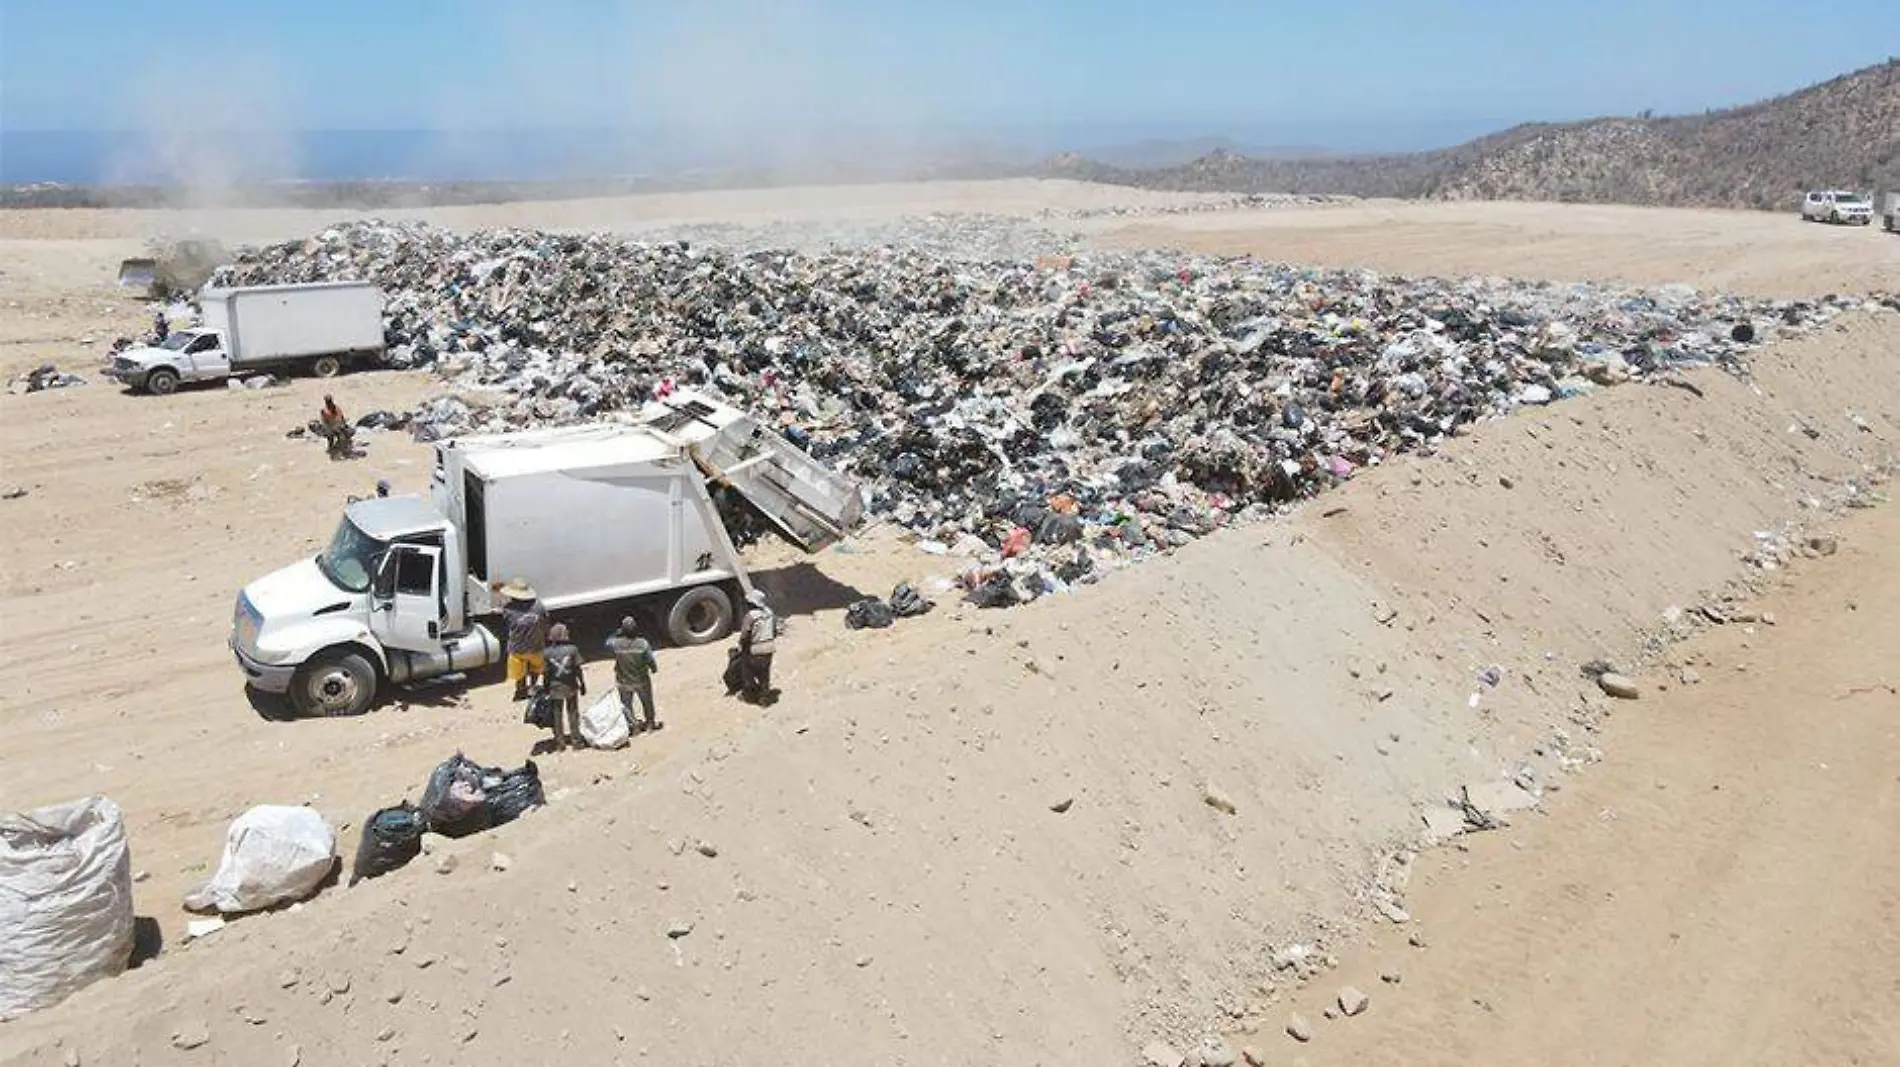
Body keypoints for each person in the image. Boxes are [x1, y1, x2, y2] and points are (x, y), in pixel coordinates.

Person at [492, 577, 549, 700]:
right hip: (536, 646)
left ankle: (521, 690)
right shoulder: (539, 606)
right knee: (536, 669)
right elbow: (545, 621)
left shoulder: (509, 610)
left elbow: (507, 623)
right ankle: (533, 687)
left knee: (519, 673)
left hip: (518, 648)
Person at [604, 615, 660, 734]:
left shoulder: (616, 644)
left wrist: (616, 632)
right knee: (647, 703)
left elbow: (606, 642)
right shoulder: (642, 643)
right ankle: (650, 724)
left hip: (624, 681)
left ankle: (634, 727)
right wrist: (654, 668)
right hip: (642, 680)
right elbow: (650, 660)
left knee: (627, 705)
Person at [542, 623, 586, 751]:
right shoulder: (572, 649)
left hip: (555, 688)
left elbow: (546, 673)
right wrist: (582, 684)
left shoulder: (546, 653)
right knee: (573, 713)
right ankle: (576, 742)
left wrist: (546, 687)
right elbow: (578, 669)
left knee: (557, 715)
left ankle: (560, 744)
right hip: (571, 686)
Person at [736, 588, 779, 705]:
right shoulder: (770, 613)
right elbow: (774, 631)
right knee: (764, 674)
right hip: (769, 649)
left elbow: (745, 634)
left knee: (747, 672)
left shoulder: (750, 616)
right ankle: (764, 697)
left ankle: (750, 694)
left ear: (751, 603)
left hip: (755, 650)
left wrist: (741, 646)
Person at [318, 395, 354, 460]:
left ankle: (340, 451)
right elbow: (325, 421)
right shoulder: (324, 411)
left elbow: (341, 417)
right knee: (331, 440)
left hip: (337, 426)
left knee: (341, 439)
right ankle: (333, 451)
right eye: (328, 401)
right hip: (330, 428)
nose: (329, 403)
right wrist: (329, 428)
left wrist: (343, 425)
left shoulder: (336, 408)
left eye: (330, 401)